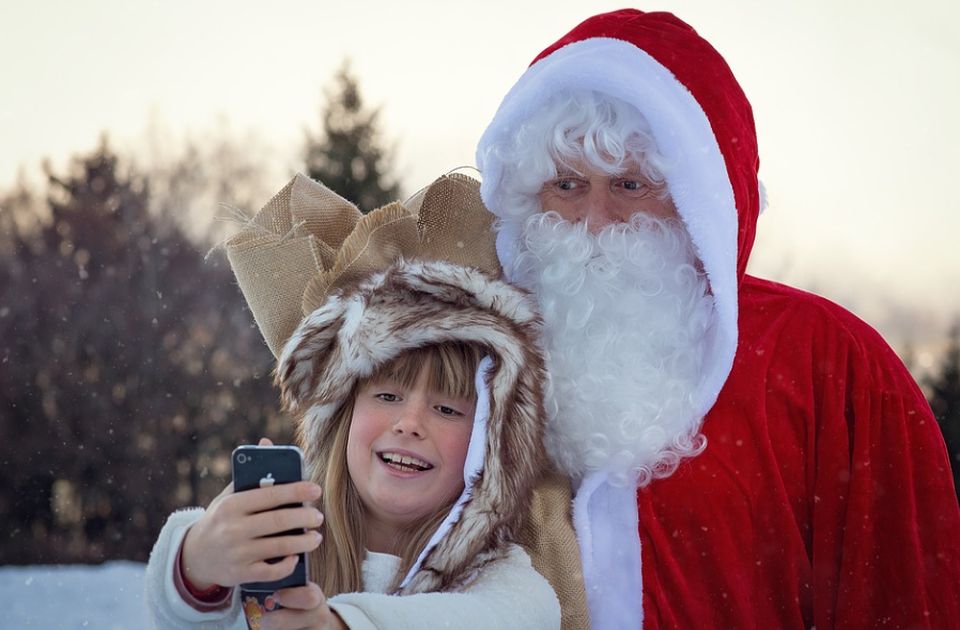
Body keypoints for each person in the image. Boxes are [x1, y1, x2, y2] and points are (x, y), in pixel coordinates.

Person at [475, 9, 960, 630]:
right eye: (566, 185)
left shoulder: (829, 362)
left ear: (698, 197)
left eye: (629, 184)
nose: (595, 221)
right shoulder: (470, 360)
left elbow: (901, 598)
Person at [144, 173, 561, 629]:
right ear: (342, 416)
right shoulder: (281, 542)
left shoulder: (509, 587)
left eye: (447, 409)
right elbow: (186, 618)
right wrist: (198, 563)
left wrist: (339, 624)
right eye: (386, 395)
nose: (409, 423)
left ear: (490, 445)